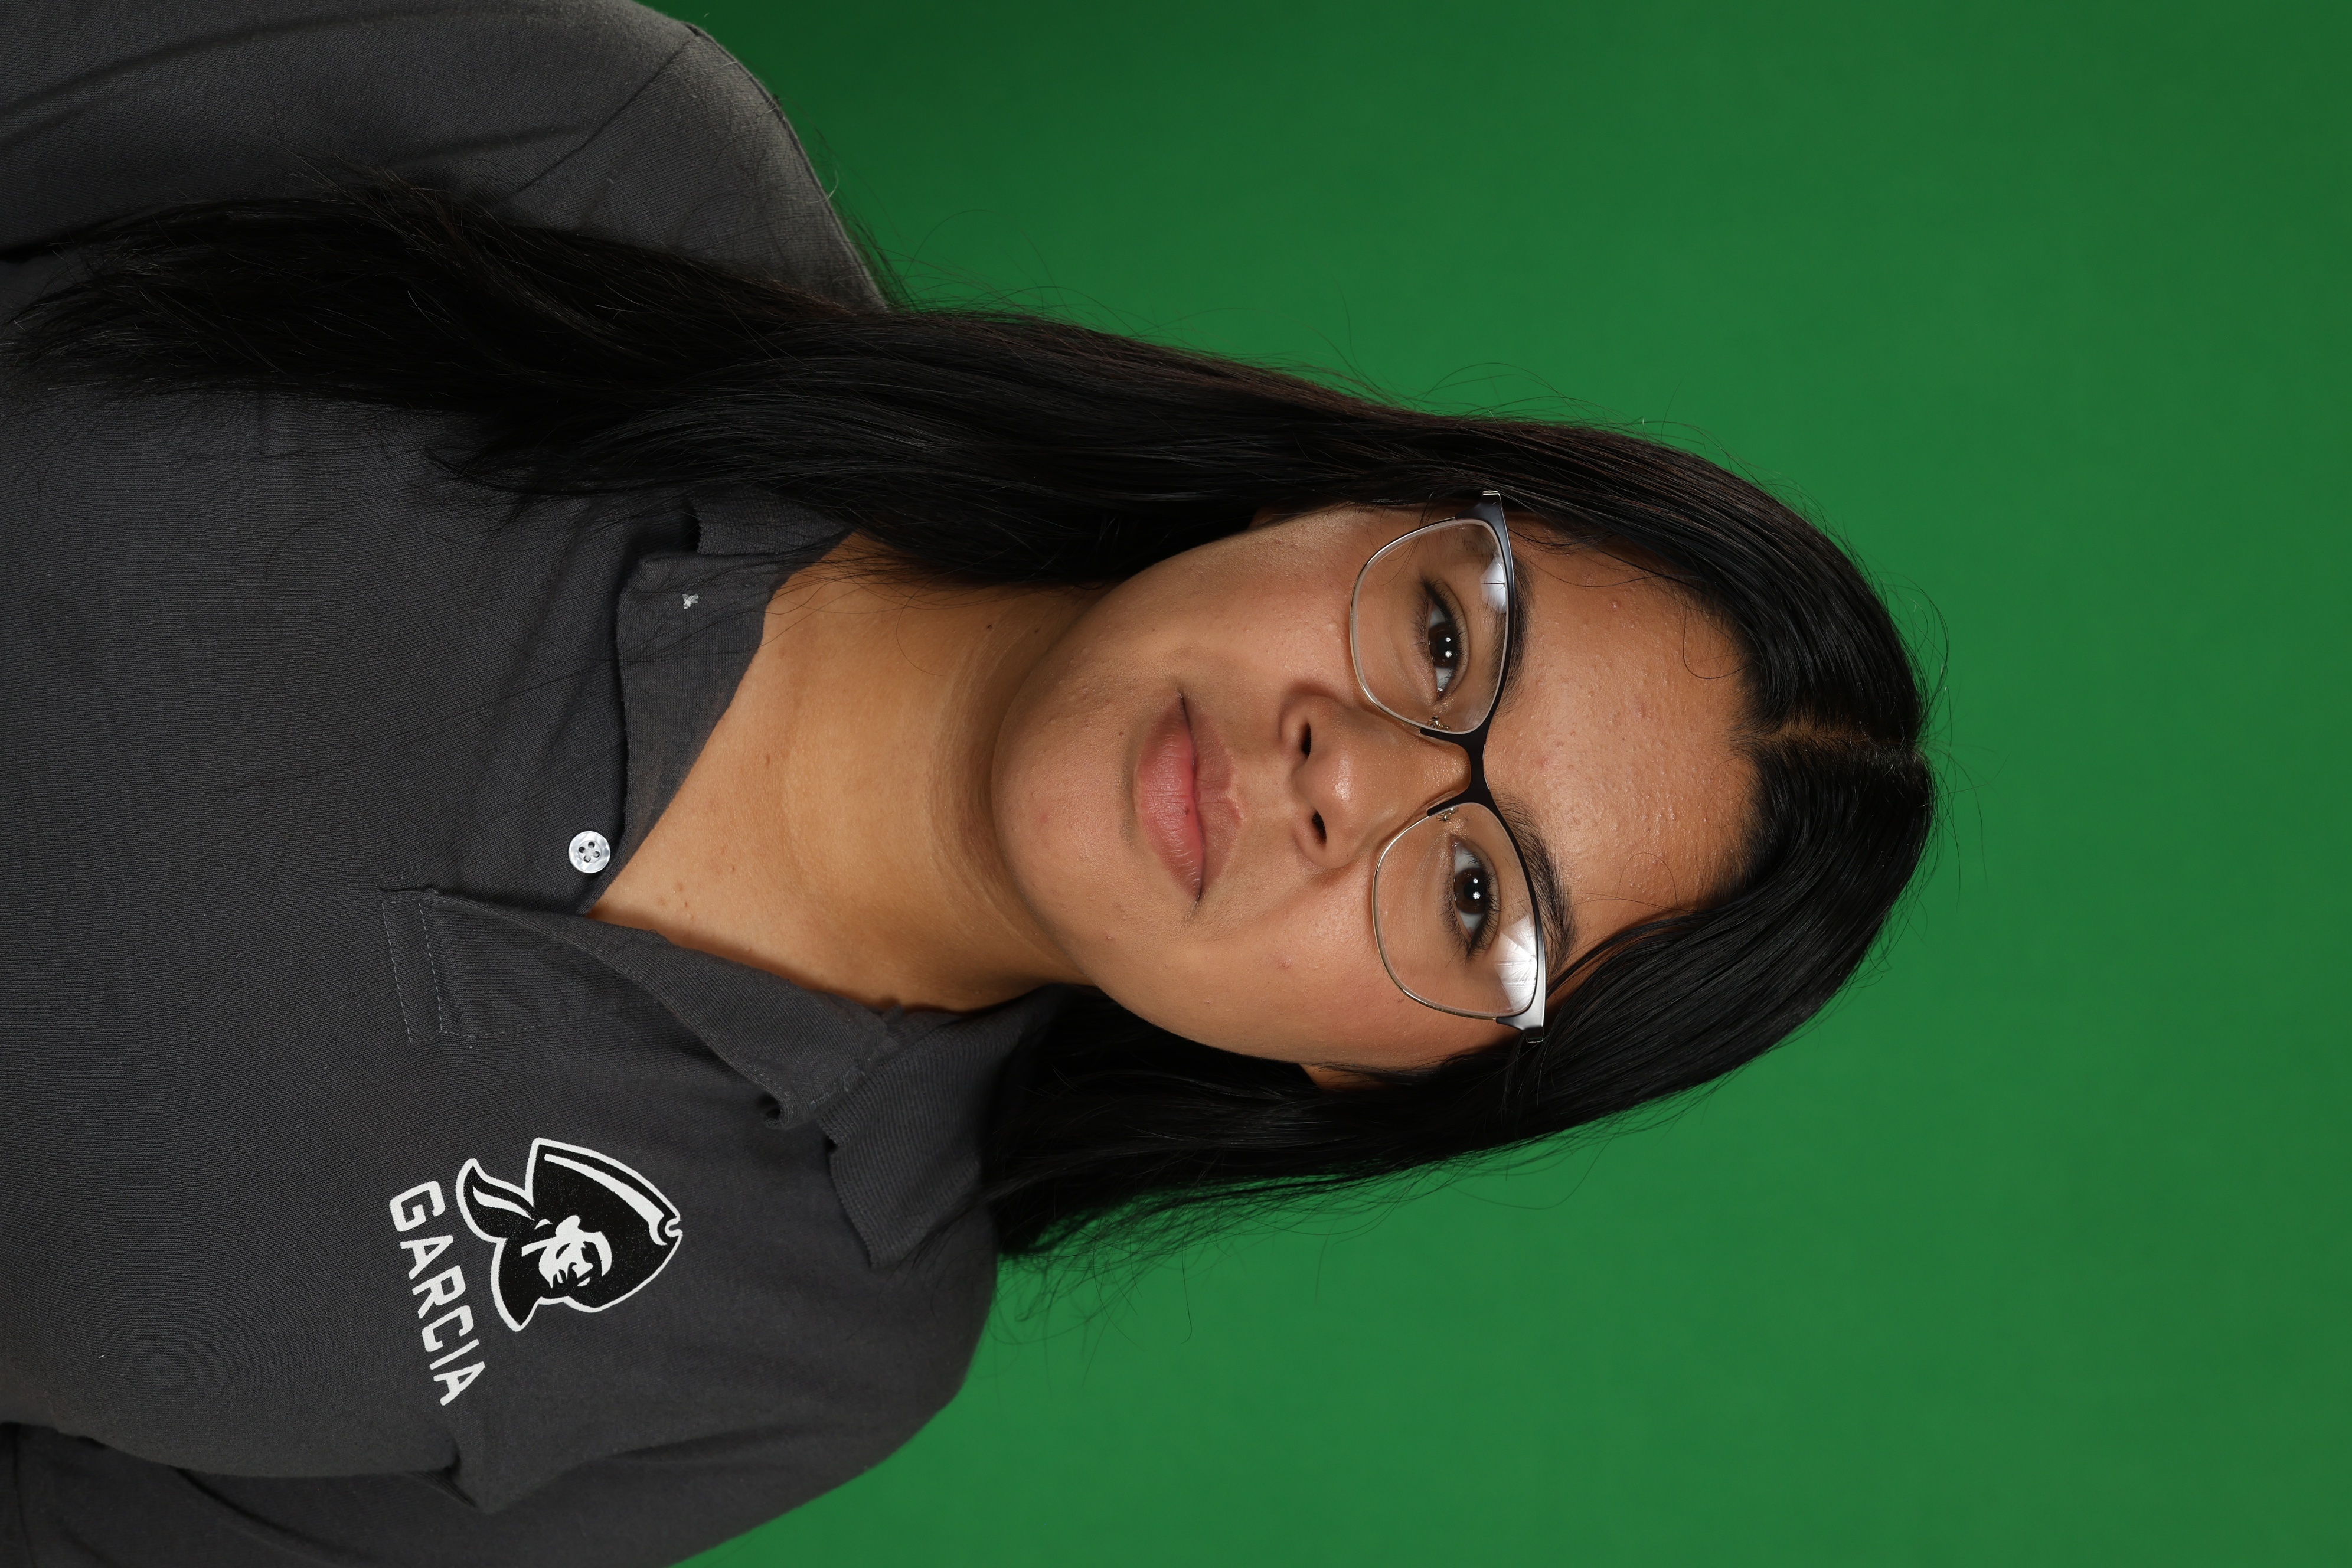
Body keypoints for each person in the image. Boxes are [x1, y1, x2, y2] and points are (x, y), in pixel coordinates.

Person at [0, 0, 1935, 1563]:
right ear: (1350, 498)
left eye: (1474, 898)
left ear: (1380, 1075)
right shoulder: (599, 156)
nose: (1349, 778)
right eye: (1445, 640)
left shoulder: (809, 1355)